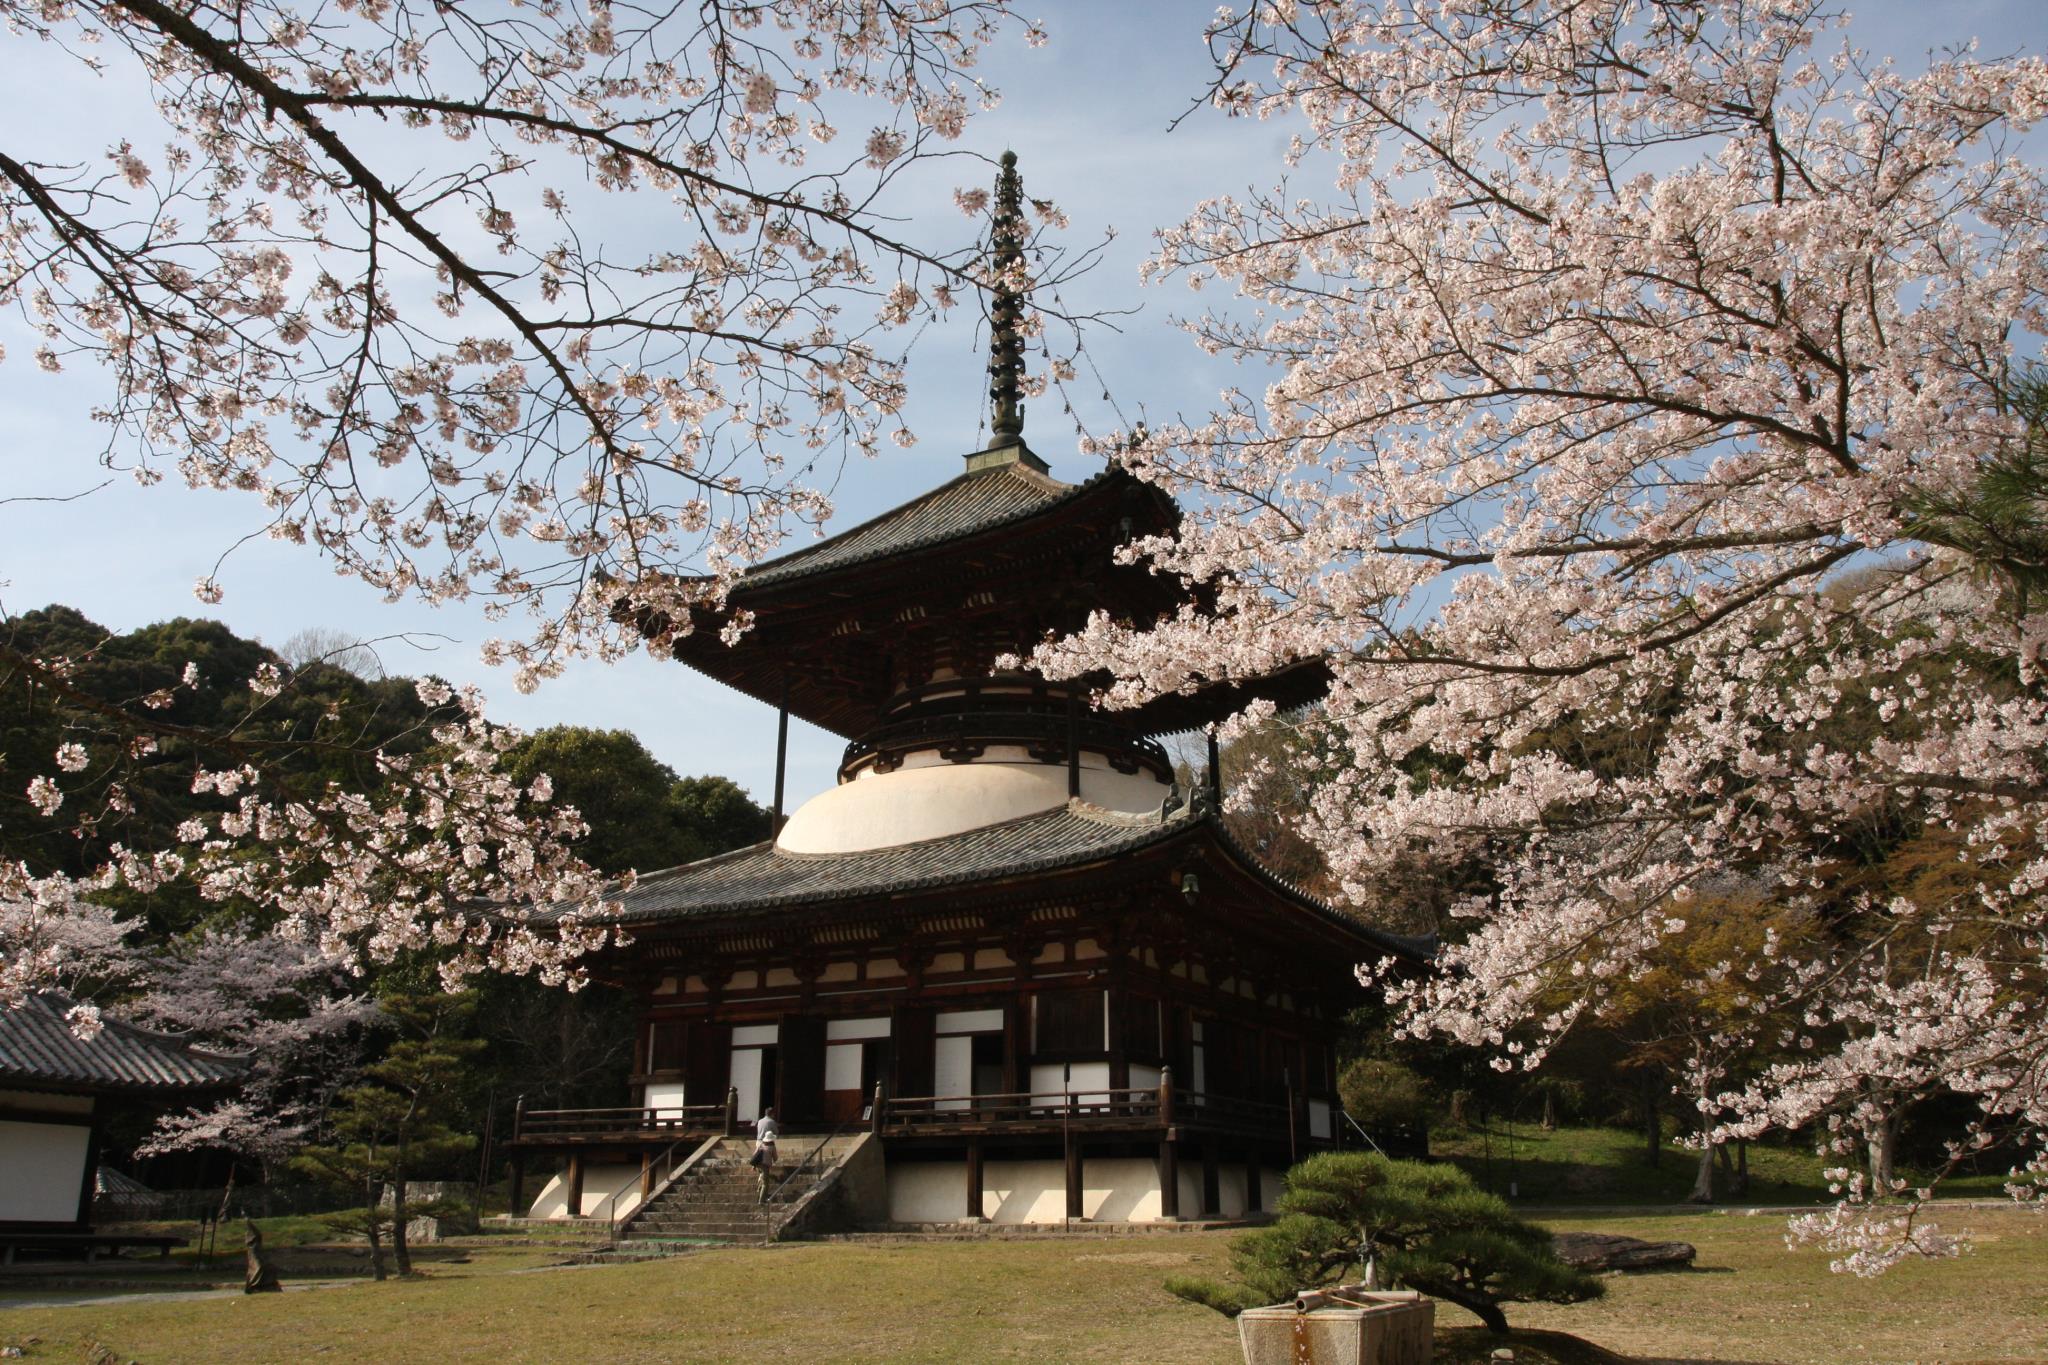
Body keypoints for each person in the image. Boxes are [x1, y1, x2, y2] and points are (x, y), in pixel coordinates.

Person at [751, 1107, 779, 1202]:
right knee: (765, 1182)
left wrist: (753, 1164)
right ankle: (761, 1198)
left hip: (759, 1142)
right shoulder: (772, 1122)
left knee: (761, 1172)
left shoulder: (759, 1121)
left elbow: (755, 1154)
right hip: (766, 1154)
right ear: (772, 1114)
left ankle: (759, 1186)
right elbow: (776, 1132)